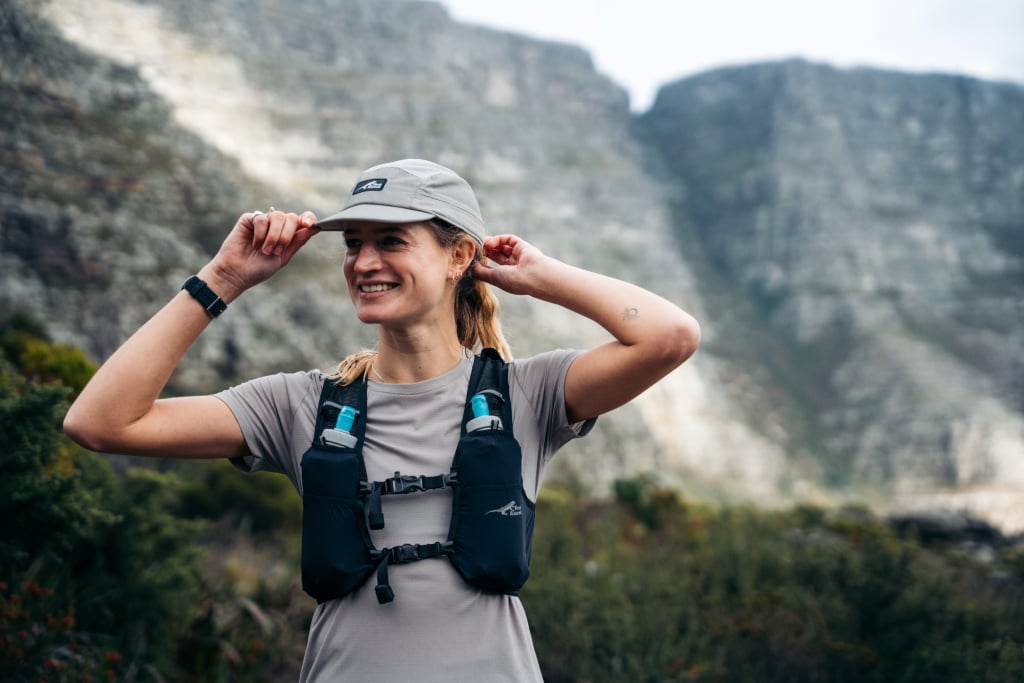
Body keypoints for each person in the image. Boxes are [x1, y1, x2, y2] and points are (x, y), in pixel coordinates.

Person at [64, 158, 700, 681]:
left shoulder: (527, 393)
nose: (363, 262)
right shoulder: (298, 404)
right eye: (353, 244)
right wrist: (224, 278)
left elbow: (670, 336)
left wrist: (541, 276)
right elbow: (101, 423)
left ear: (458, 258)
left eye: (390, 241)